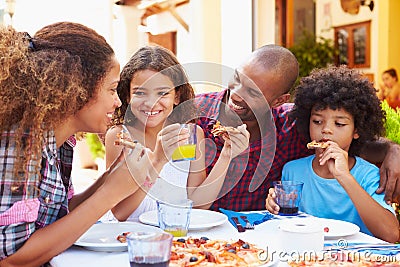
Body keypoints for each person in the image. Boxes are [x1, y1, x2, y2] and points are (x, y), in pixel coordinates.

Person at [0, 23, 155, 266]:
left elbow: (57, 214)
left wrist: (112, 176)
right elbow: (11, 258)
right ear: (78, 91)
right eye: (112, 89)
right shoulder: (20, 147)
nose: (117, 102)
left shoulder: (60, 144)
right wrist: (110, 193)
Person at [194, 44, 400, 212]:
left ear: (278, 101)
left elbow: (352, 141)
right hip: (202, 239)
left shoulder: (295, 125)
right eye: (237, 79)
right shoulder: (197, 114)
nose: (237, 95)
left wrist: (393, 150)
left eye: (253, 92)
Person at [104, 45, 249, 221]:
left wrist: (226, 155)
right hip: (128, 238)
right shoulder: (120, 138)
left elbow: (198, 204)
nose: (151, 103)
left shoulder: (192, 136)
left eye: (162, 93)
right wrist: (157, 162)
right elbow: (120, 213)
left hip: (176, 238)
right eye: (140, 92)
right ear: (127, 96)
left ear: (177, 97)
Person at [265, 65, 399, 243]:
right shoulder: (292, 170)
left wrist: (344, 176)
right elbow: (287, 225)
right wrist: (275, 205)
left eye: (340, 124)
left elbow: (391, 234)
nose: (326, 130)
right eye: (317, 121)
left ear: (357, 130)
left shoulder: (368, 175)